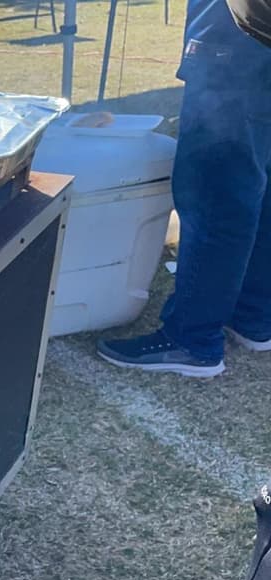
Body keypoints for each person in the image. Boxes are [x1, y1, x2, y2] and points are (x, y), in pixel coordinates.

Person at [97, 0, 271, 377]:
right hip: (257, 39)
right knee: (259, 183)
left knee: (214, 191)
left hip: (236, 41)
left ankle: (191, 338)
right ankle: (253, 315)